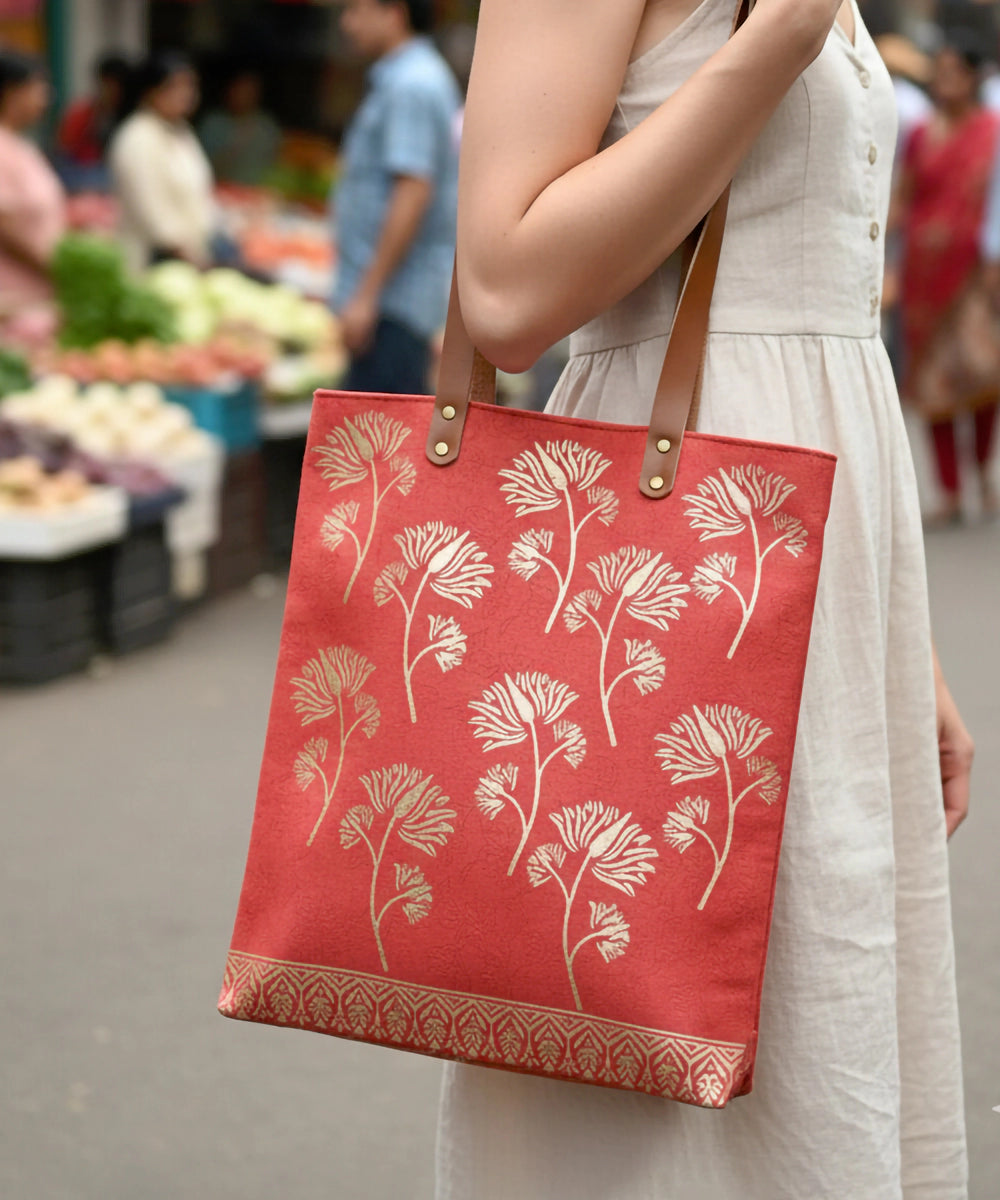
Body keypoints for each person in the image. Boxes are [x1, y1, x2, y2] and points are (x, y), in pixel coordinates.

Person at [436, 3, 973, 1199]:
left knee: (805, 1040)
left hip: (804, 566)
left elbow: (811, 298)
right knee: (637, 1034)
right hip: (671, 552)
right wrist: (775, 38)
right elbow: (507, 289)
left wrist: (902, 646)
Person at [896, 34, 1000, 524]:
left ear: (974, 76)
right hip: (924, 276)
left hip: (977, 275)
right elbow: (904, 197)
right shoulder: (921, 131)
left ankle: (982, 471)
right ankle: (951, 492)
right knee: (934, 381)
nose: (944, 81)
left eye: (954, 72)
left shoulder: (992, 131)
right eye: (939, 73)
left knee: (982, 374)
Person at [333, 0, 460, 395]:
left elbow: (413, 190)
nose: (346, 22)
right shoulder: (406, 79)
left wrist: (367, 295)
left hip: (395, 304)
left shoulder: (413, 85)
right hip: (391, 299)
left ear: (394, 12)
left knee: (377, 446)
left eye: (355, 9)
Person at [108, 53, 215, 274]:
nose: (185, 94)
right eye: (175, 86)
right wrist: (185, 254)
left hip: (189, 257)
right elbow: (149, 209)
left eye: (190, 86)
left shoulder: (181, 131)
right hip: (155, 260)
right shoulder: (137, 137)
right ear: (150, 91)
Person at [0, 48, 66, 346]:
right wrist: (57, 268)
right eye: (39, 88)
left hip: (36, 301)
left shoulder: (21, 145)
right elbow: (4, 224)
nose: (46, 98)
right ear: (12, 92)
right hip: (11, 304)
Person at [55, 52, 130, 189]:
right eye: (108, 85)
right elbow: (64, 151)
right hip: (85, 176)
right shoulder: (82, 113)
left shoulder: (133, 119)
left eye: (118, 86)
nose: (113, 91)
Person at [198, 69, 282, 187]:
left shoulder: (266, 125)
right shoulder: (214, 123)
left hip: (256, 192)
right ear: (229, 91)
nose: (244, 96)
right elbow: (201, 166)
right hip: (219, 189)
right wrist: (235, 145)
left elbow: (276, 162)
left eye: (250, 92)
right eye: (240, 90)